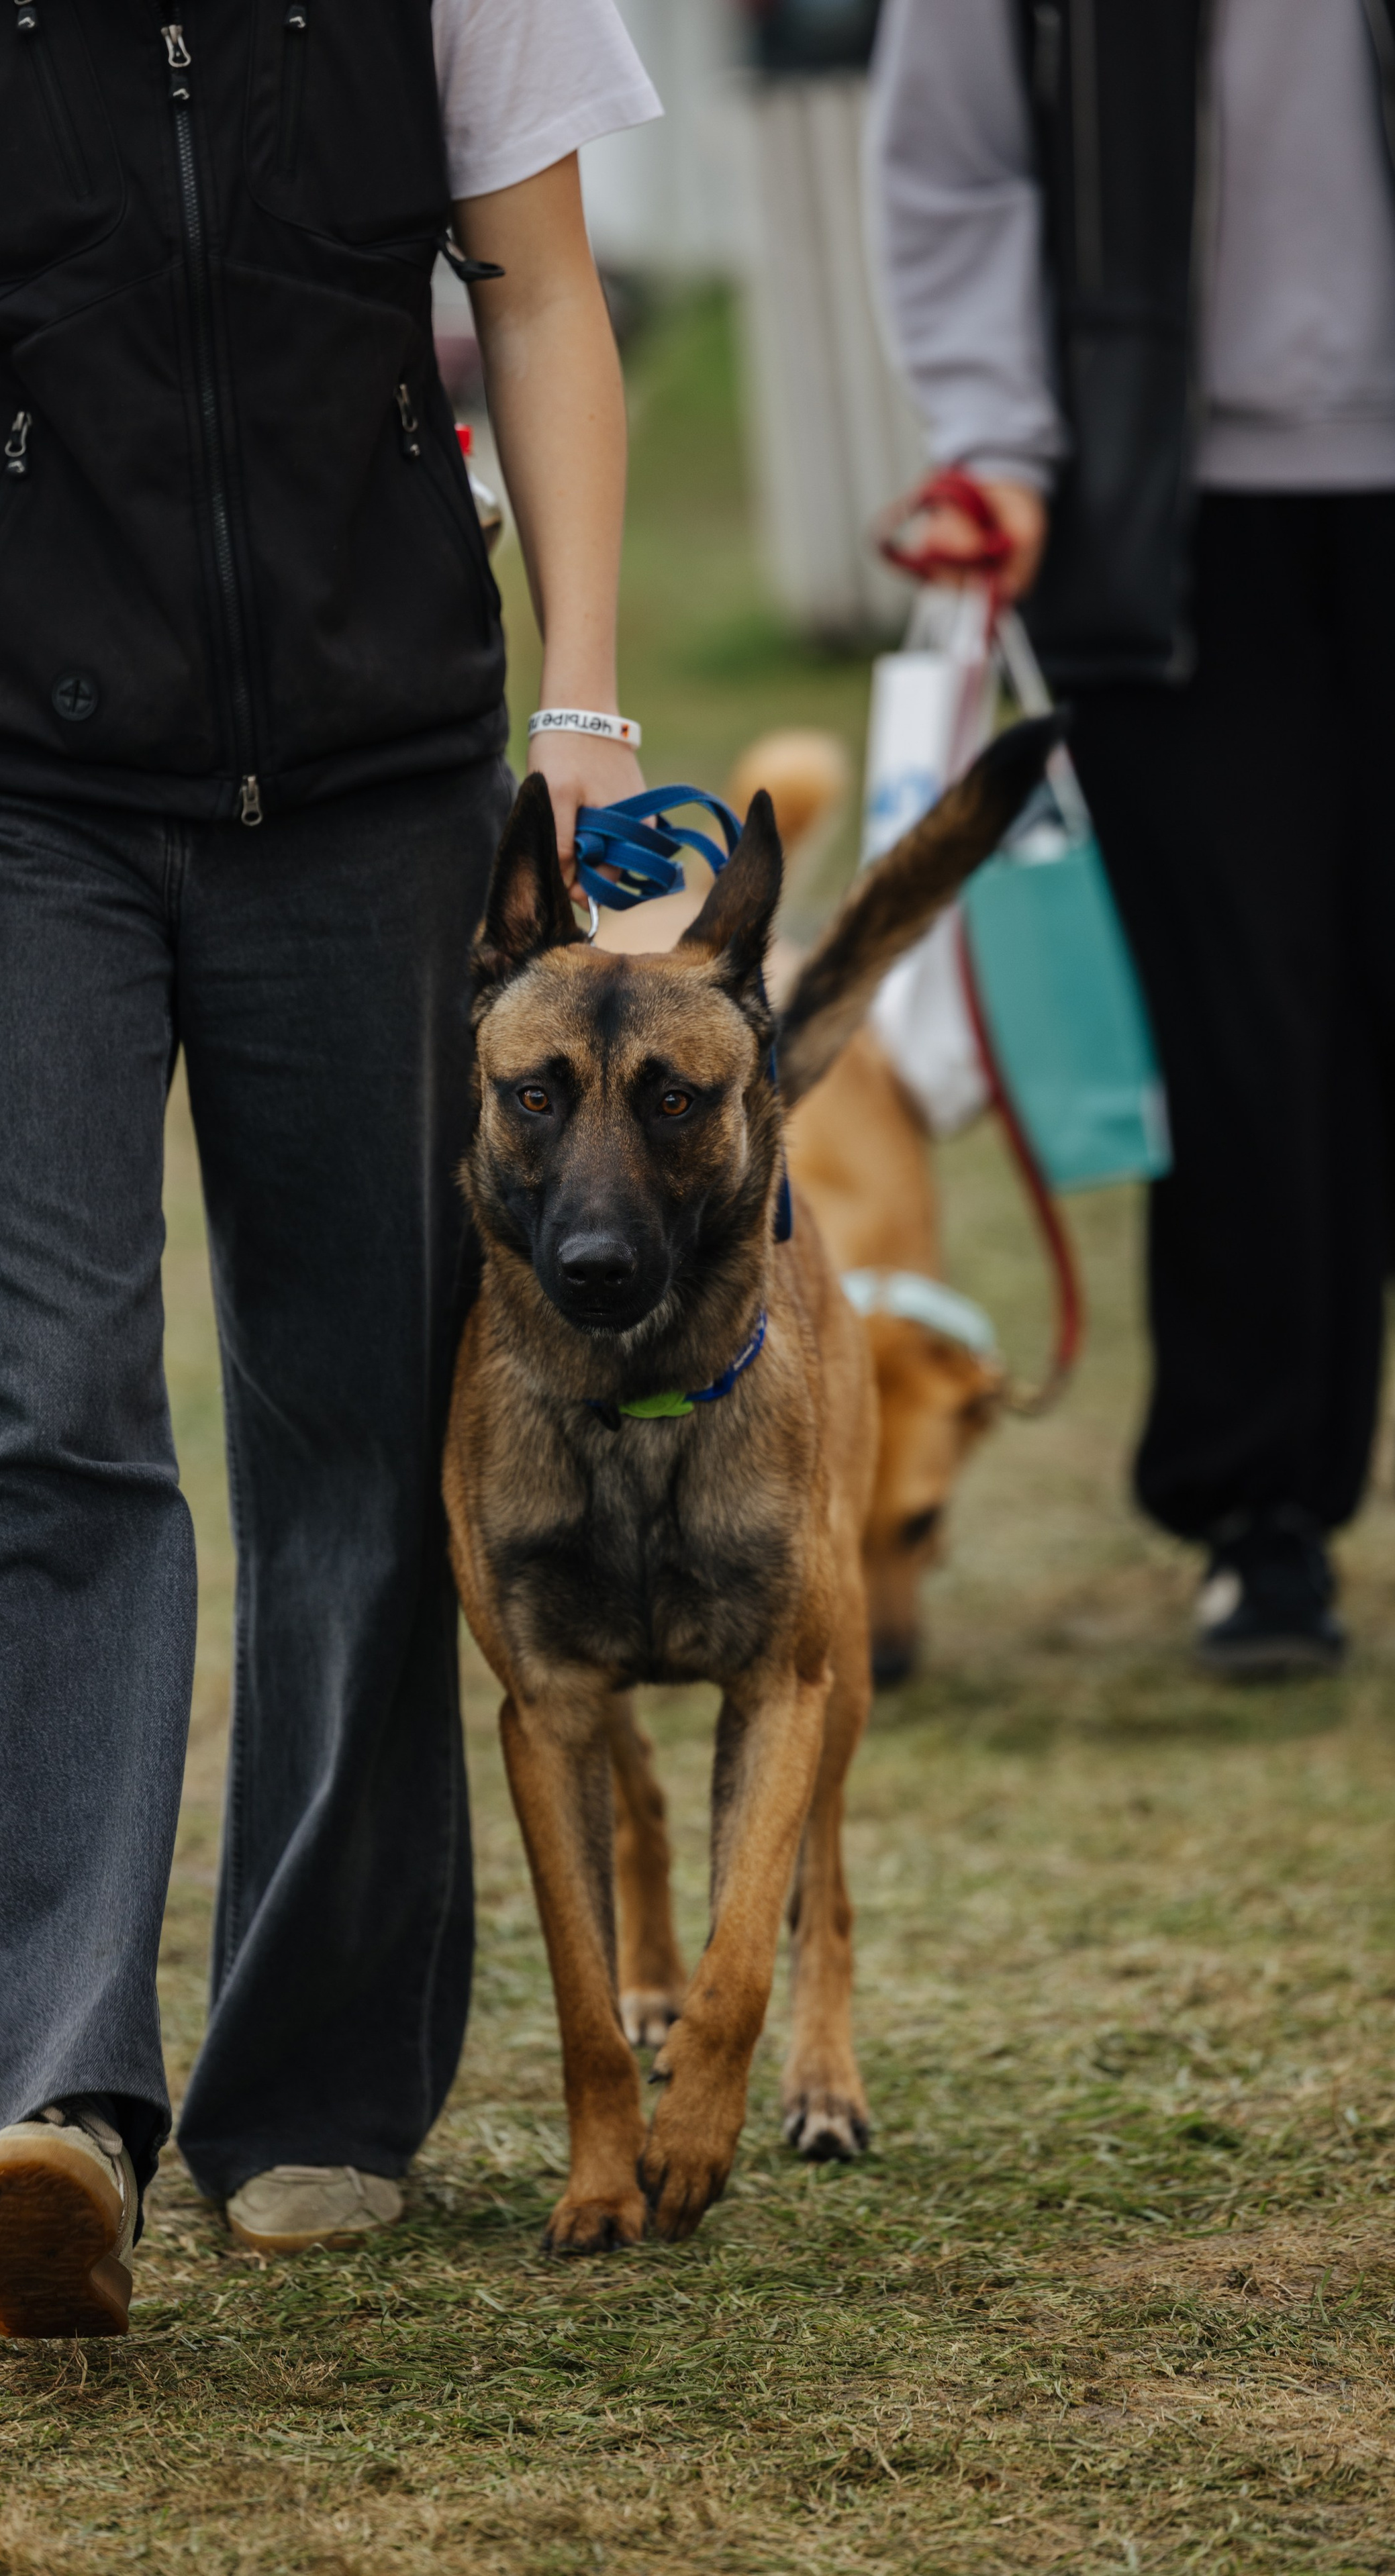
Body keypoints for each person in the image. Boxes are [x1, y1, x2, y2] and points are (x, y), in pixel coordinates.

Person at [0, 0, 660, 2336]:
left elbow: (540, 289)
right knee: (29, 1410)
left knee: (354, 1406)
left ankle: (313, 2084)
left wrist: (590, 711)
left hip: (378, 761)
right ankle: (47, 2102)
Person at [868, 0, 1395, 1677]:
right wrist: (1001, 443)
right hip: (1166, 519)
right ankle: (1263, 1514)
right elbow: (951, 166)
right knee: (1250, 1023)